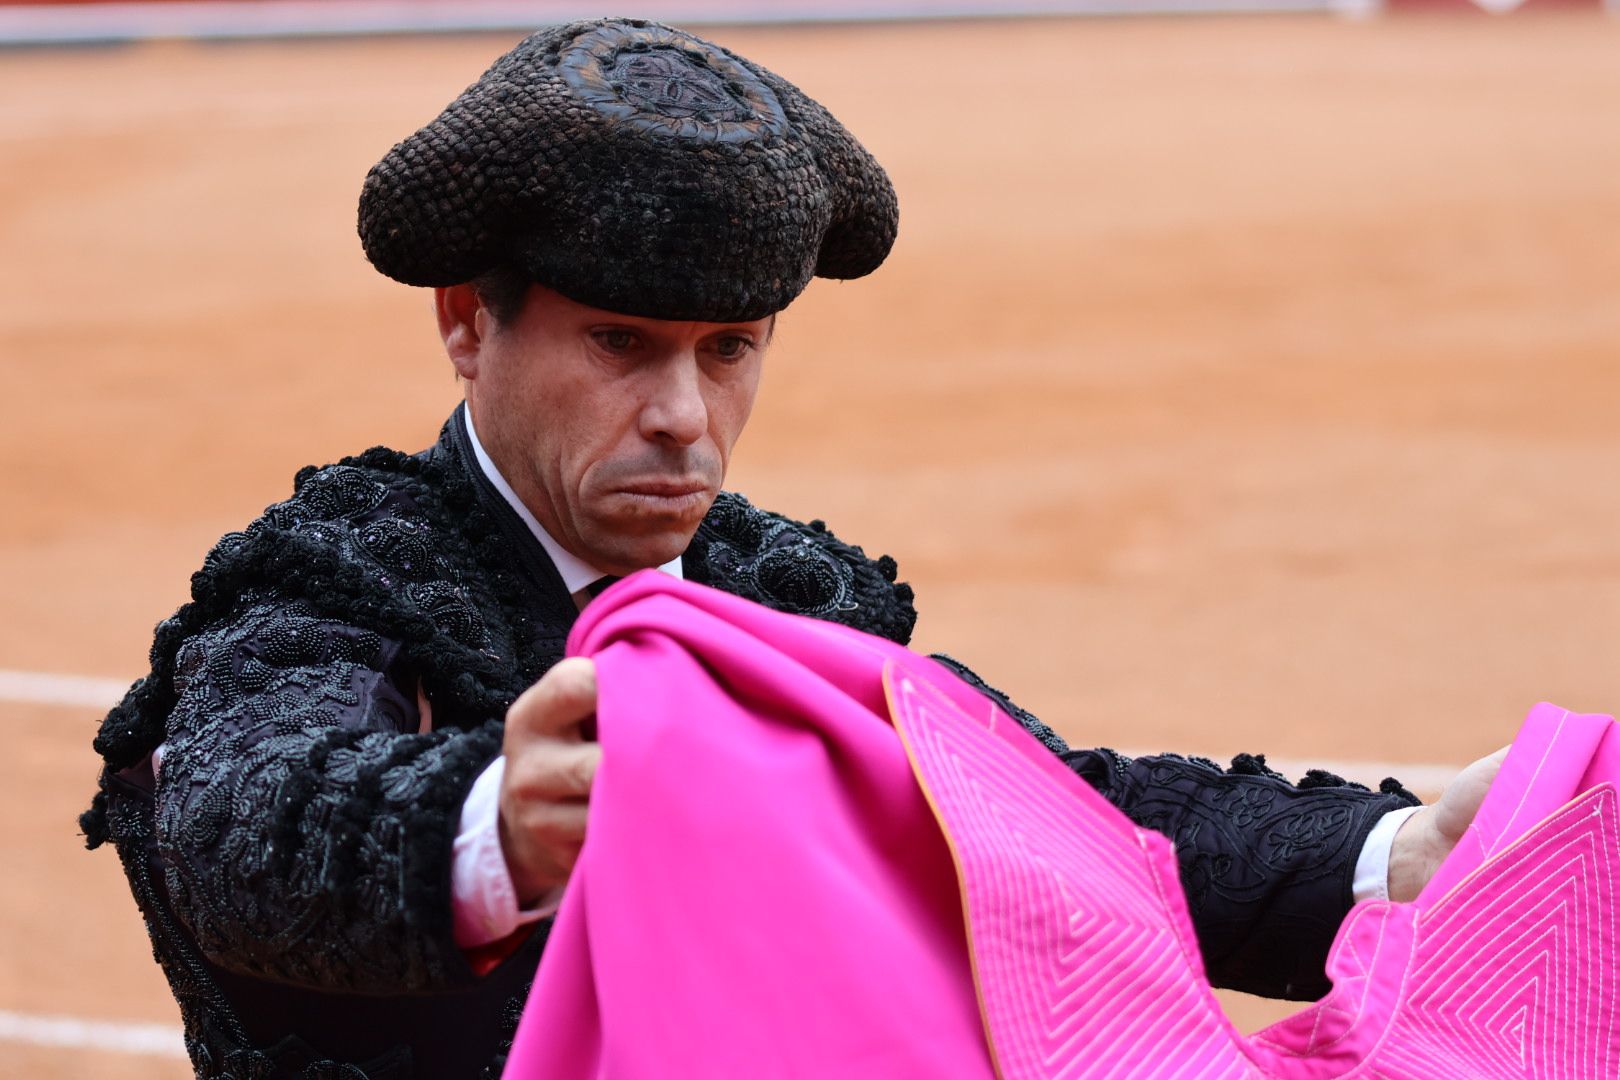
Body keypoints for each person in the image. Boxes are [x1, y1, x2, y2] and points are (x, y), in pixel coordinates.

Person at [82, 18, 1498, 1080]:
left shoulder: (783, 588)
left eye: (730, 350)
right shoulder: (334, 574)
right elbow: (248, 819)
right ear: (468, 321)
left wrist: (1393, 852)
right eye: (620, 344)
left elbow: (1053, 835)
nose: (685, 419)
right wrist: (496, 823)